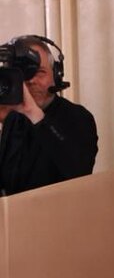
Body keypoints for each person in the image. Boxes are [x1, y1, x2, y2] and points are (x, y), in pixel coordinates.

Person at [0, 35, 97, 196]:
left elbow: (79, 172)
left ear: (56, 75)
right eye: (23, 74)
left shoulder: (78, 117)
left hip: (60, 210)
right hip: (17, 211)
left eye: (40, 72)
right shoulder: (13, 119)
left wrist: (34, 113)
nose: (31, 81)